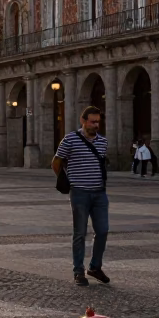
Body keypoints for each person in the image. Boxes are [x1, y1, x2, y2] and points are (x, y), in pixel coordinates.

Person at [52, 105, 109, 287]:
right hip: (80, 193)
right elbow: (56, 162)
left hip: (99, 193)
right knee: (80, 233)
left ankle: (95, 267)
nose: (96, 125)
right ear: (83, 121)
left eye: (98, 122)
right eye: (92, 122)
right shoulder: (70, 139)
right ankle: (78, 271)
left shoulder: (102, 141)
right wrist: (67, 181)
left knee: (103, 230)